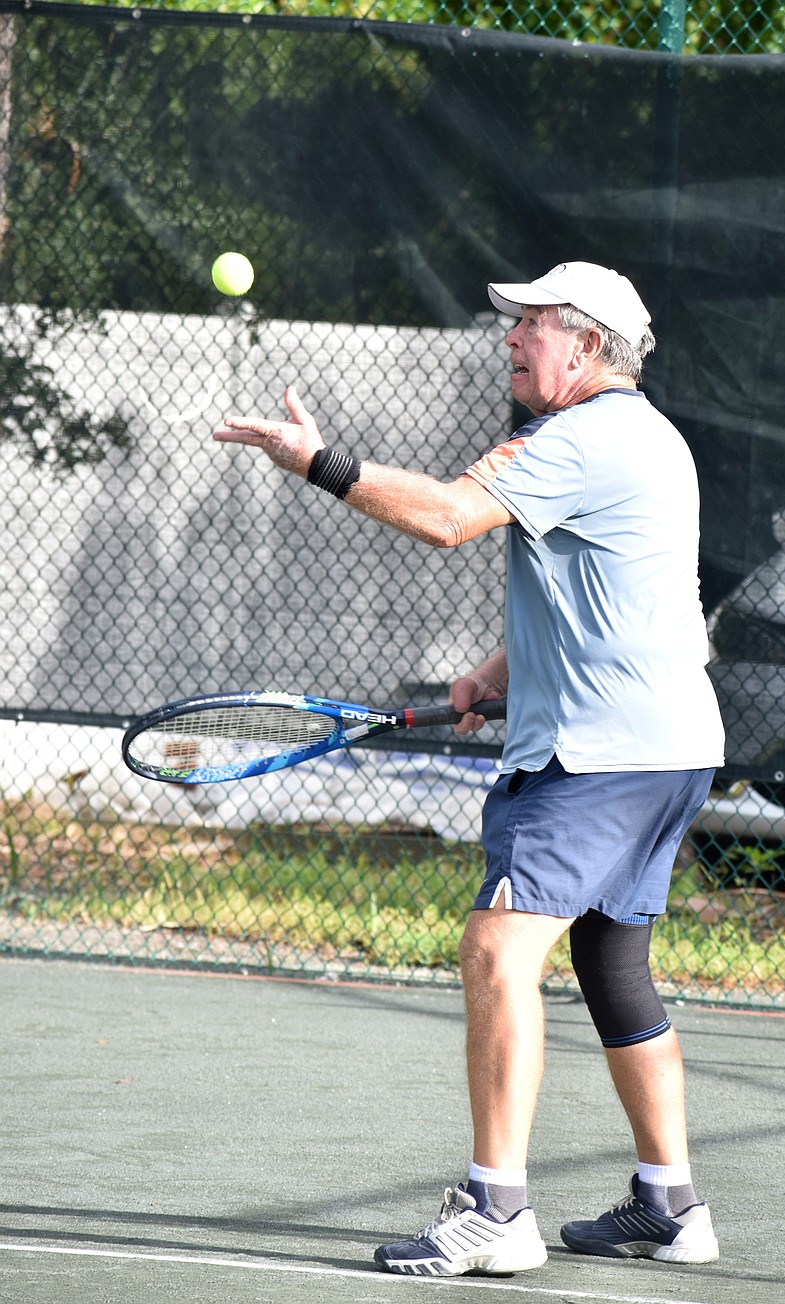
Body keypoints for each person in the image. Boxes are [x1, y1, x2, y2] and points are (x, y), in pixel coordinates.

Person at [213, 260, 725, 1278]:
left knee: (497, 947)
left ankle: (495, 1207)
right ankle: (670, 1199)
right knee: (612, 965)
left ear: (582, 344)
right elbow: (627, 583)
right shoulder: (653, 439)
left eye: (528, 324)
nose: (510, 339)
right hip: (671, 748)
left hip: (598, 756)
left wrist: (318, 461)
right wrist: (491, 674)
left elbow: (448, 514)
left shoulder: (574, 436)